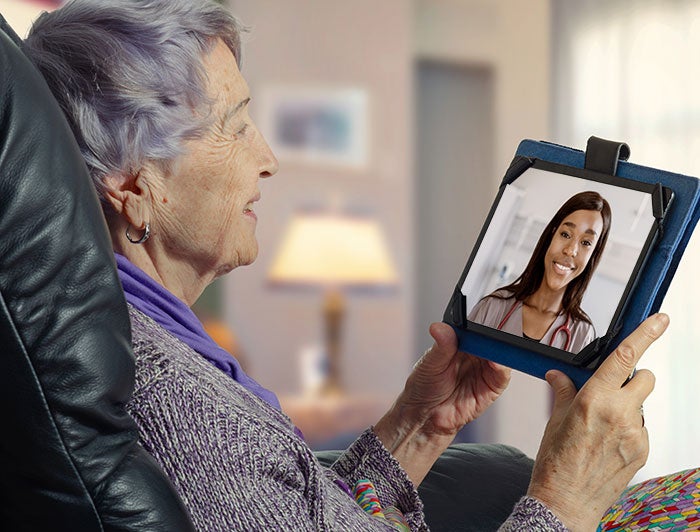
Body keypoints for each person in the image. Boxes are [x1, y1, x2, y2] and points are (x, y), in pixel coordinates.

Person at [23, 1, 667, 530]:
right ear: (134, 186)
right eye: (236, 126)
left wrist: (419, 424)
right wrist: (567, 498)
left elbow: (301, 515)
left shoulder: (139, 341)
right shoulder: (183, 412)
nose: (268, 158)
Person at [469, 191, 611, 354]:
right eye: (565, 234)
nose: (571, 250)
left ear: (594, 254)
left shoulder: (583, 334)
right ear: (552, 233)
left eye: (586, 242)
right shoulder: (493, 306)